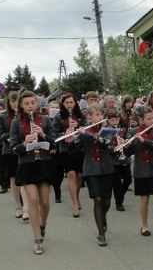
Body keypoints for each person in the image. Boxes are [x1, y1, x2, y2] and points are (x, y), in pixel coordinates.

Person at [10, 91, 57, 255]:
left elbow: (54, 143)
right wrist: (25, 143)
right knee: (33, 201)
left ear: (37, 104)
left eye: (32, 103)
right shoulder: (16, 123)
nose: (30, 106)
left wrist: (42, 134)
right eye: (26, 104)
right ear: (21, 106)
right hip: (27, 165)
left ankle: (43, 224)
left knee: (45, 202)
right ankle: (37, 239)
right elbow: (13, 149)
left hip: (44, 163)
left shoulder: (45, 120)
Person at [69, 103, 117, 246]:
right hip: (91, 169)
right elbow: (75, 151)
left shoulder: (107, 130)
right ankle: (101, 233)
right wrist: (70, 142)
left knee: (106, 201)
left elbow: (108, 145)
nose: (100, 117)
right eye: (97, 114)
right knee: (97, 199)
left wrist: (87, 134)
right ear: (89, 117)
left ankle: (103, 217)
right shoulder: (84, 132)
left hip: (107, 168)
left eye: (101, 114)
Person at [122, 106, 153, 240]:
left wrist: (144, 141)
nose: (152, 121)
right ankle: (144, 225)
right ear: (141, 120)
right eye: (148, 119)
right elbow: (128, 153)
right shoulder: (134, 131)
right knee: (144, 199)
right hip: (141, 169)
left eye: (152, 118)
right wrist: (126, 146)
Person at [53, 93, 86, 217]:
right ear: (63, 104)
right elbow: (54, 134)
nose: (69, 105)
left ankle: (76, 197)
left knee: (79, 175)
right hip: (65, 148)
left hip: (79, 148)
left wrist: (78, 128)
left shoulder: (81, 116)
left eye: (71, 102)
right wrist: (65, 134)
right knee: (71, 174)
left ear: (75, 103)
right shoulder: (58, 117)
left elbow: (87, 129)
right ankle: (74, 204)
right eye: (66, 103)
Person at [0, 91, 26, 219]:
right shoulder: (4, 117)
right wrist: (10, 135)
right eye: (12, 101)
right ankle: (18, 206)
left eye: (17, 101)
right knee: (13, 179)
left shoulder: (24, 115)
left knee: (24, 178)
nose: (15, 103)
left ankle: (26, 206)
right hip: (9, 150)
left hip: (23, 150)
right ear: (9, 102)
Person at [105, 109, 131, 211]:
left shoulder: (122, 130)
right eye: (113, 120)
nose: (115, 122)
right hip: (112, 160)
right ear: (108, 120)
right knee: (116, 183)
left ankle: (120, 195)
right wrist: (114, 146)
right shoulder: (106, 131)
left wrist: (126, 143)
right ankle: (119, 203)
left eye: (117, 119)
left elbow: (128, 140)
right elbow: (105, 145)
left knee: (128, 179)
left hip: (123, 159)